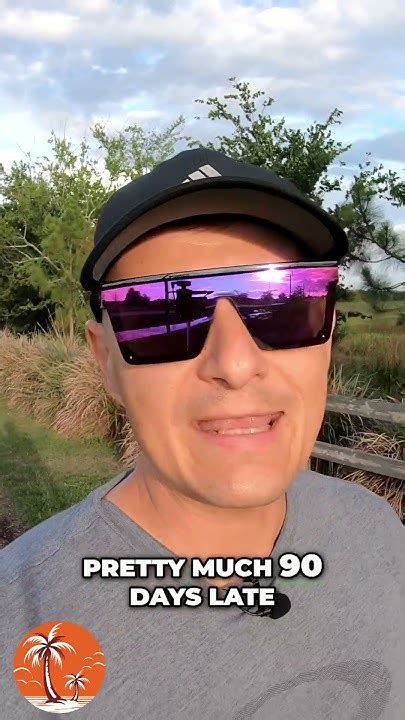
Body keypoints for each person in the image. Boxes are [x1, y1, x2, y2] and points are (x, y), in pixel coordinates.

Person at [1, 148, 403, 719]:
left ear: (329, 332)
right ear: (106, 362)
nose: (235, 364)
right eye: (163, 317)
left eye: (283, 305)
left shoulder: (376, 530)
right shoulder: (19, 623)